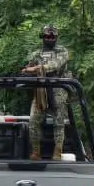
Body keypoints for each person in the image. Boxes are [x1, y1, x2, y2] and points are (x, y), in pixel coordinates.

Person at [21, 24, 71, 161]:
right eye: (47, 36)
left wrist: (38, 68)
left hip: (58, 88)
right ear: (42, 37)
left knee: (59, 122)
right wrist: (27, 71)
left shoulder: (62, 51)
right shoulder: (37, 54)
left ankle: (57, 152)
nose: (50, 39)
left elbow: (55, 65)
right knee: (33, 121)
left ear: (57, 37)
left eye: (52, 36)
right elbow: (27, 68)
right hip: (41, 89)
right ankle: (36, 152)